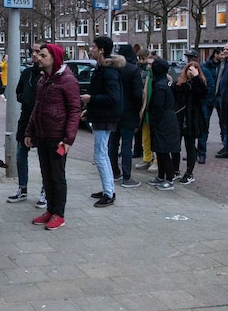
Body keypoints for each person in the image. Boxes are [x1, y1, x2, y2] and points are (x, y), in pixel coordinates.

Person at [24, 43, 81, 230]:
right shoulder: (43, 80)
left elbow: (74, 111)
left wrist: (68, 139)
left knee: (57, 177)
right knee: (46, 176)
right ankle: (50, 209)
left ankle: (59, 214)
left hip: (58, 138)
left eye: (43, 55)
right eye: (39, 54)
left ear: (54, 58)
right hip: (42, 135)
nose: (38, 58)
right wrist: (29, 131)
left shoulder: (68, 80)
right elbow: (37, 107)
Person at [81, 36, 123, 208]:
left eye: (93, 46)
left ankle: (108, 192)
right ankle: (108, 189)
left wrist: (91, 100)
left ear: (101, 50)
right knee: (102, 154)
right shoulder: (102, 69)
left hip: (105, 118)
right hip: (101, 116)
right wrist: (89, 110)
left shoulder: (108, 72)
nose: (90, 49)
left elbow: (113, 97)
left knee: (100, 155)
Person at [9, 41, 46, 206]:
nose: (34, 55)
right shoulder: (27, 73)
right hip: (25, 119)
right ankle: (22, 188)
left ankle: (46, 191)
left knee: (44, 157)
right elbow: (18, 92)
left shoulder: (48, 75)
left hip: (42, 121)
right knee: (20, 154)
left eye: (38, 51)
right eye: (33, 51)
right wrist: (24, 98)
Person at [108, 44, 143, 187]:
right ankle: (127, 177)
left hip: (113, 112)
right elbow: (137, 94)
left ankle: (114, 172)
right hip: (128, 113)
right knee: (127, 145)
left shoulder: (111, 69)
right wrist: (138, 111)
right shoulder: (133, 70)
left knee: (113, 143)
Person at [145, 59, 181, 190]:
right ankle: (161, 176)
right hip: (168, 120)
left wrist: (154, 120)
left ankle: (169, 179)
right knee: (160, 150)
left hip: (163, 122)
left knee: (164, 151)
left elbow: (158, 106)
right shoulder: (167, 83)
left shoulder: (160, 86)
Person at [172, 60, 208, 185]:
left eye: (193, 69)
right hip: (180, 117)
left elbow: (203, 94)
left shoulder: (199, 83)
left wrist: (196, 77)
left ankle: (189, 173)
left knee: (190, 146)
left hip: (192, 118)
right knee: (175, 145)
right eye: (189, 69)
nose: (190, 72)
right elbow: (174, 92)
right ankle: (175, 170)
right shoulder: (180, 83)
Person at [198, 47, 224, 163]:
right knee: (202, 126)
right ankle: (198, 152)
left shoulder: (223, 66)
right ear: (215, 54)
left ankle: (227, 145)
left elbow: (211, 85)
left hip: (214, 99)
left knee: (222, 123)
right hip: (208, 100)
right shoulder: (207, 66)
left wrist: (208, 100)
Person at [134, 48, 154, 169]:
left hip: (152, 109)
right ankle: (147, 157)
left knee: (154, 135)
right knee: (145, 136)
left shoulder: (156, 75)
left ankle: (156, 160)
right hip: (145, 108)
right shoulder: (142, 72)